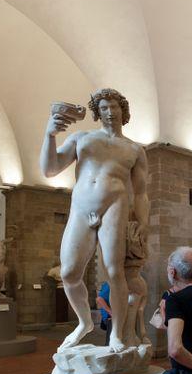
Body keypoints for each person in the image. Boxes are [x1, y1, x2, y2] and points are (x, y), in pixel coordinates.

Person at [41, 88, 149, 353]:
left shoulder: (134, 149)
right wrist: (50, 135)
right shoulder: (82, 138)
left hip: (115, 205)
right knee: (68, 273)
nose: (109, 112)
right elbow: (50, 169)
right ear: (96, 112)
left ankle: (118, 334)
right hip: (81, 207)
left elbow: (142, 193)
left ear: (123, 111)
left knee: (115, 272)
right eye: (103, 108)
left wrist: (143, 224)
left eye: (114, 107)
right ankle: (84, 323)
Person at [96, 281, 112, 346]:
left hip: (118, 316)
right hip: (110, 317)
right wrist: (111, 313)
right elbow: (99, 299)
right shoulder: (110, 284)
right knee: (111, 342)